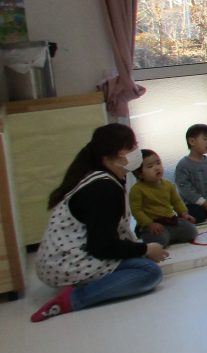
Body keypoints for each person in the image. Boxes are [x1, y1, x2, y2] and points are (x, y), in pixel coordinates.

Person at [30, 123, 168, 323]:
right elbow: (102, 246)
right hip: (67, 263)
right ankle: (74, 299)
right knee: (149, 272)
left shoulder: (100, 177)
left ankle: (80, 286)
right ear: (109, 158)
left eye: (135, 146)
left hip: (58, 260)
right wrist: (145, 249)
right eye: (130, 148)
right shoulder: (104, 188)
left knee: (141, 261)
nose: (136, 152)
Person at [129, 149, 198, 246]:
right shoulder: (137, 190)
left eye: (158, 163)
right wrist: (149, 224)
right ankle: (161, 236)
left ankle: (170, 235)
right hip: (152, 224)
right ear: (139, 174)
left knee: (191, 231)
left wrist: (184, 214)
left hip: (170, 221)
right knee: (160, 240)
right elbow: (136, 211)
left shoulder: (168, 185)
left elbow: (176, 201)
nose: (157, 168)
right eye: (150, 166)